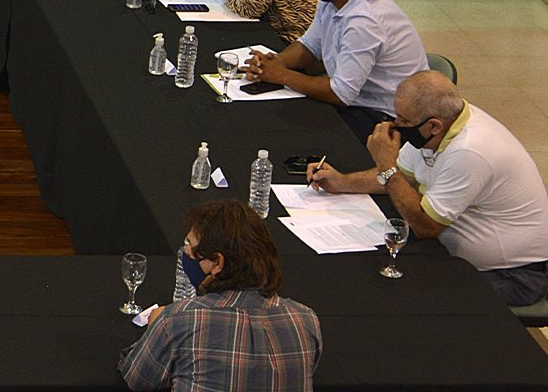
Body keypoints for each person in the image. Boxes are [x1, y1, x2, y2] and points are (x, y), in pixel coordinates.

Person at [308, 72, 548, 307]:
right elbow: (405, 176)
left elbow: (425, 226)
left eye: (403, 120)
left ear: (433, 125)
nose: (395, 125)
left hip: (511, 275)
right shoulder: (441, 128)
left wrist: (386, 166)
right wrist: (343, 182)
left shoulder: (469, 151)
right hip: (451, 252)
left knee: (401, 301)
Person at [119, 200, 320, 390]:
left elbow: (137, 378)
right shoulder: (306, 320)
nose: (185, 251)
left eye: (190, 244)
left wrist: (156, 326)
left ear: (217, 263)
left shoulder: (178, 320)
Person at [243, 0, 429, 138]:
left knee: (289, 129)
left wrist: (281, 75)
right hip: (356, 99)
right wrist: (273, 63)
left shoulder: (365, 23)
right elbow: (310, 46)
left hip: (384, 117)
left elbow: (341, 93)